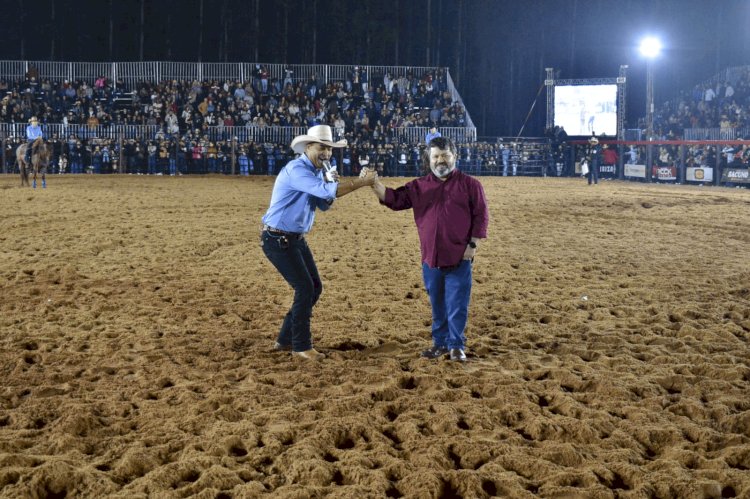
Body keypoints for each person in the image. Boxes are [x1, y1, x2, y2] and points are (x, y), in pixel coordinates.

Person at [261, 125, 377, 361]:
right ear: (308, 147)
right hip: (279, 238)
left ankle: (285, 339)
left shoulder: (312, 172)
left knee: (313, 287)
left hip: (291, 238)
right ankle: (301, 346)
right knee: (305, 288)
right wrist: (359, 183)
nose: (326, 153)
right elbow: (327, 194)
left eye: (329, 149)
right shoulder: (297, 170)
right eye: (322, 148)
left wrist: (328, 184)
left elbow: (323, 204)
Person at [368, 136, 489, 362]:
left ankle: (456, 345)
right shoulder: (418, 186)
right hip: (430, 257)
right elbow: (394, 199)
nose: (440, 160)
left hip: (459, 256)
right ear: (429, 159)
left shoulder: (471, 185)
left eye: (445, 156)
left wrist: (472, 245)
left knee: (457, 303)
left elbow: (481, 216)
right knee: (437, 303)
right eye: (435, 156)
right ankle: (440, 344)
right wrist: (374, 184)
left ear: (455, 157)